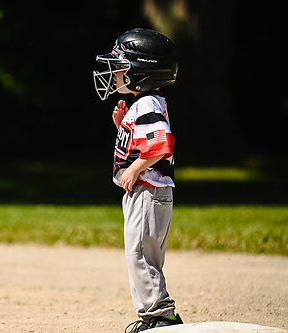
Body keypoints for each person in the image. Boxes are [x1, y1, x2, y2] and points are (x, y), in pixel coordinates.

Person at [93, 28, 183, 332]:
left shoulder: (146, 106)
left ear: (140, 74)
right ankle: (158, 314)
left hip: (147, 192)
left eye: (119, 68)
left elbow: (160, 143)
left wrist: (134, 170)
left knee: (140, 254)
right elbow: (146, 138)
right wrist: (123, 124)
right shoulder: (145, 105)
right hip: (150, 195)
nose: (113, 74)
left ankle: (159, 316)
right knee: (146, 254)